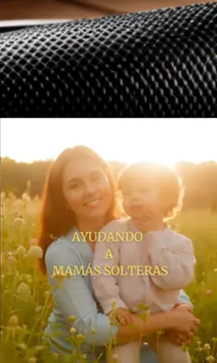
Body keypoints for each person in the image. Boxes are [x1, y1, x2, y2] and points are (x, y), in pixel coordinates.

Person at [38, 146, 199, 360]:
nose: (90, 190)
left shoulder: (137, 228)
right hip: (80, 354)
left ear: (109, 181)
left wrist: (183, 307)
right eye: (75, 185)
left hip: (135, 338)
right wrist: (170, 320)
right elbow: (89, 329)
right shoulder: (62, 253)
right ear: (64, 200)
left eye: (96, 178)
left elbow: (160, 277)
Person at [91, 161, 195, 363]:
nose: (134, 197)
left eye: (144, 190)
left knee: (179, 358)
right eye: (128, 193)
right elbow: (103, 272)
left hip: (165, 322)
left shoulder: (180, 243)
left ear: (167, 198)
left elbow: (174, 280)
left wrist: (154, 237)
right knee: (121, 359)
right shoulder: (113, 233)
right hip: (128, 319)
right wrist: (114, 305)